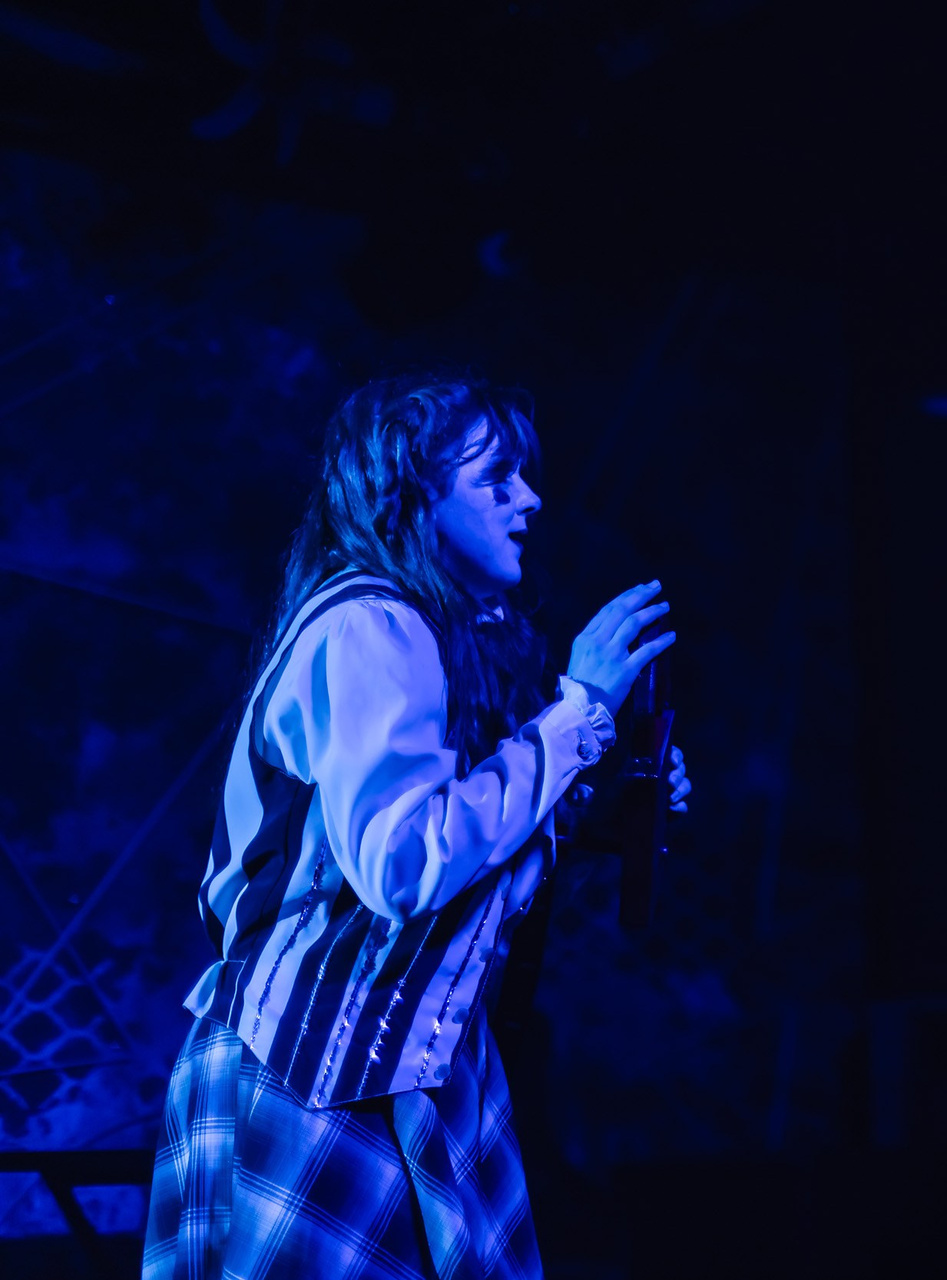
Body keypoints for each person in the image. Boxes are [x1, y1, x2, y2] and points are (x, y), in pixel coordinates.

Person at [142, 373, 691, 1279]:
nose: (530, 499)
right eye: (496, 478)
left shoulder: (431, 639)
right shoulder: (370, 627)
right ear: (413, 493)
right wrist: (579, 711)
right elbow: (403, 864)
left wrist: (596, 808)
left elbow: (464, 868)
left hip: (412, 1063)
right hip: (318, 1064)